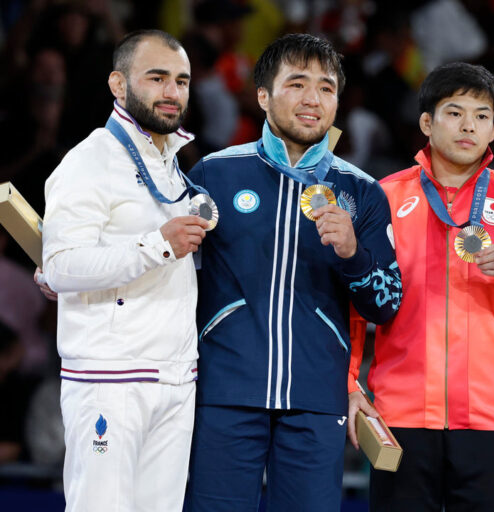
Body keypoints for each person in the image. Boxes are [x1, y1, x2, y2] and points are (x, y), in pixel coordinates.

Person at [183, 34, 401, 511]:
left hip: (316, 399)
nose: (312, 99)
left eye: (326, 88)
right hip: (224, 391)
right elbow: (175, 278)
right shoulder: (215, 175)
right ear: (263, 95)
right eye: (297, 84)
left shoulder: (361, 192)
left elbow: (386, 303)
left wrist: (353, 254)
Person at [347, 62, 494, 511]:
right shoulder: (383, 198)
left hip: (493, 422)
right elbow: (351, 302)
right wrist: (350, 385)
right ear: (427, 123)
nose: (468, 124)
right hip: (401, 418)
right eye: (454, 112)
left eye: (482, 114)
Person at [39, 30, 208, 511]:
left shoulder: (173, 165)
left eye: (182, 80)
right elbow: (60, 266)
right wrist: (157, 245)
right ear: (119, 84)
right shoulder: (89, 161)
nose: (172, 92)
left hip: (175, 379)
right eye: (157, 78)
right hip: (110, 381)